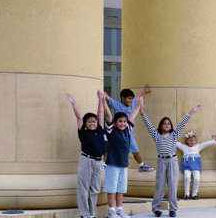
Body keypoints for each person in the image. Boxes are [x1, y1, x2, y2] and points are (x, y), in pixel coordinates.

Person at [140, 100, 200, 217]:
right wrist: (142, 112)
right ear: (161, 126)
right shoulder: (156, 135)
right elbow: (148, 125)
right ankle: (156, 208)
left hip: (172, 161)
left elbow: (183, 123)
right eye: (165, 124)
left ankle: (173, 209)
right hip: (161, 161)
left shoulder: (174, 135)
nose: (167, 125)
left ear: (171, 126)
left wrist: (192, 111)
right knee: (160, 186)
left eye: (169, 124)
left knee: (173, 186)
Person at [101, 90, 143, 218]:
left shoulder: (128, 129)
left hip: (124, 165)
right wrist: (103, 102)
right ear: (115, 122)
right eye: (120, 121)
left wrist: (139, 106)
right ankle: (111, 211)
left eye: (124, 122)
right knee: (112, 189)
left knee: (121, 189)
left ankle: (120, 210)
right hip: (113, 165)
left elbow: (132, 117)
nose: (123, 124)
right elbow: (108, 116)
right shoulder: (111, 129)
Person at [66, 91, 107, 218]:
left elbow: (100, 113)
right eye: (89, 122)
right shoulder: (83, 133)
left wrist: (100, 100)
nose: (92, 123)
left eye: (94, 121)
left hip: (98, 162)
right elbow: (79, 118)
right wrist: (74, 104)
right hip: (86, 160)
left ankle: (91, 213)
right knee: (83, 188)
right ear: (85, 123)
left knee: (95, 189)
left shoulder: (100, 129)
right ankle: (84, 214)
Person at [107, 86, 154, 171]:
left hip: (129, 133)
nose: (131, 100)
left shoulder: (132, 103)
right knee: (111, 148)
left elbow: (137, 97)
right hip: (118, 134)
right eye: (129, 98)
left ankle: (141, 165)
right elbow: (107, 98)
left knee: (135, 150)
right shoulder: (117, 104)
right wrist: (102, 95)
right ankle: (105, 164)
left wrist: (144, 91)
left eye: (131, 99)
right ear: (123, 98)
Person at [177, 128, 216, 200]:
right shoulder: (184, 147)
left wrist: (215, 141)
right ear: (187, 140)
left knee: (197, 179)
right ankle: (186, 194)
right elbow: (177, 144)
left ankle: (194, 194)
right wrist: (168, 139)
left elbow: (206, 144)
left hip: (196, 167)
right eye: (190, 140)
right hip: (187, 167)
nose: (192, 142)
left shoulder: (197, 147)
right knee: (187, 177)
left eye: (194, 140)